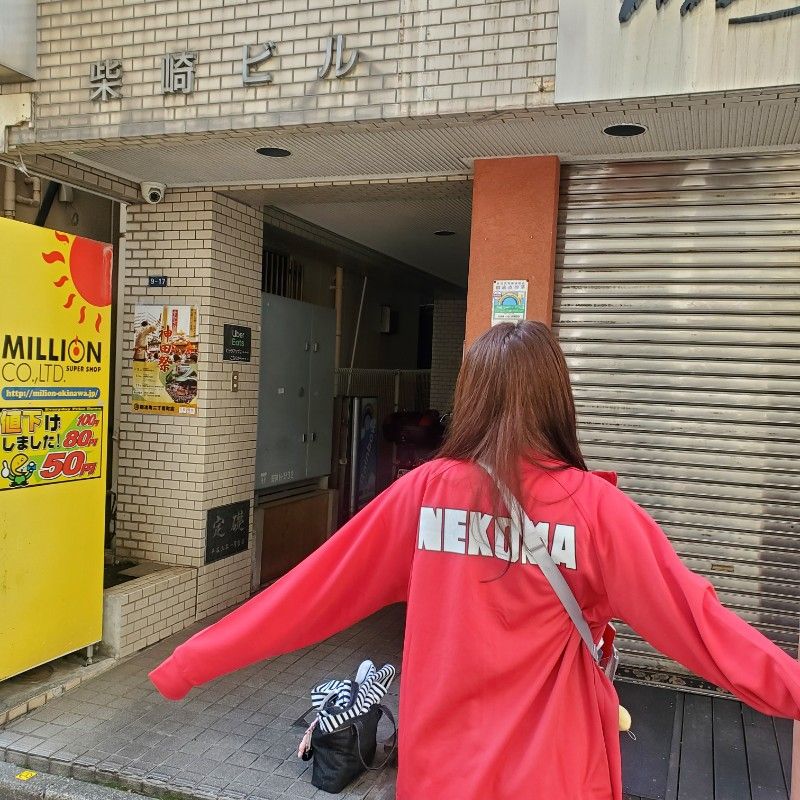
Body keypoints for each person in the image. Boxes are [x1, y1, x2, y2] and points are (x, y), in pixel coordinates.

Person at [149, 321, 800, 800]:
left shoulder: (424, 494)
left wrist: (189, 663)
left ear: (472, 395)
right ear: (557, 397)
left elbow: (307, 594)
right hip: (555, 777)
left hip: (438, 778)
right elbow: (703, 629)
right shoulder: (596, 512)